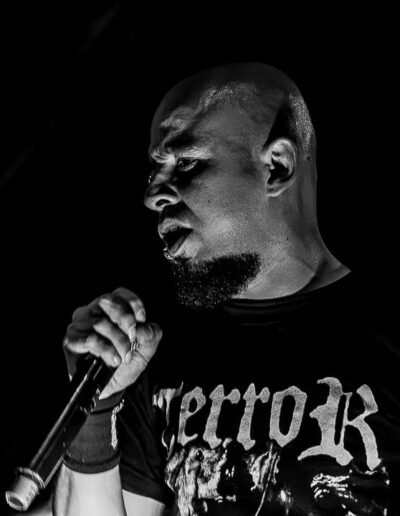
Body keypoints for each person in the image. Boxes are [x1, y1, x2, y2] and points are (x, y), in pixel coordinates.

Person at [53, 62, 400, 515]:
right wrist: (93, 410)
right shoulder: (153, 352)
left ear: (276, 166)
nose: (153, 194)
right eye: (155, 169)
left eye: (186, 162)